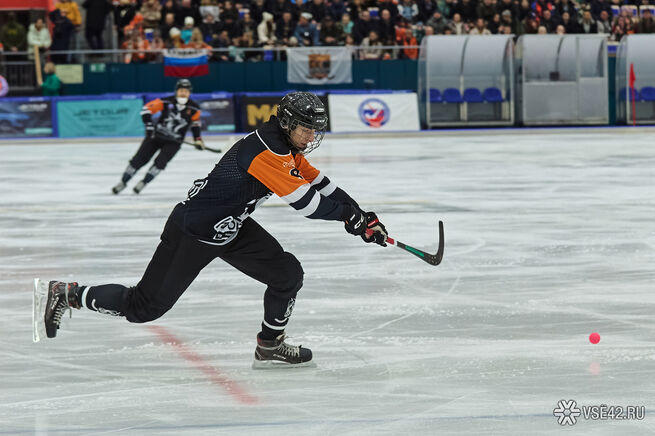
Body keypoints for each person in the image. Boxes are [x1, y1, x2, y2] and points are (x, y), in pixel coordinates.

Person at [36, 91, 388, 368]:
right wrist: (350, 219)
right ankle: (67, 294)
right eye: (306, 129)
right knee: (144, 308)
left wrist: (361, 215)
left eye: (315, 130)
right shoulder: (267, 151)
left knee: (287, 275)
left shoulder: (287, 146)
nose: (311, 137)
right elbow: (307, 204)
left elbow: (321, 184)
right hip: (195, 230)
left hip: (231, 227)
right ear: (287, 123)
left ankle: (269, 345)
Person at [111, 79, 204, 195]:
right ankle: (123, 182)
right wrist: (149, 126)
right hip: (155, 137)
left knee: (160, 163)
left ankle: (144, 182)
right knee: (138, 160)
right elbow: (146, 110)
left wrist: (198, 140)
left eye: (186, 91)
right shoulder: (166, 101)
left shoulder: (195, 108)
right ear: (176, 91)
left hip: (174, 142)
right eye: (181, 90)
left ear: (190, 92)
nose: (183, 93)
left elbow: (195, 125)